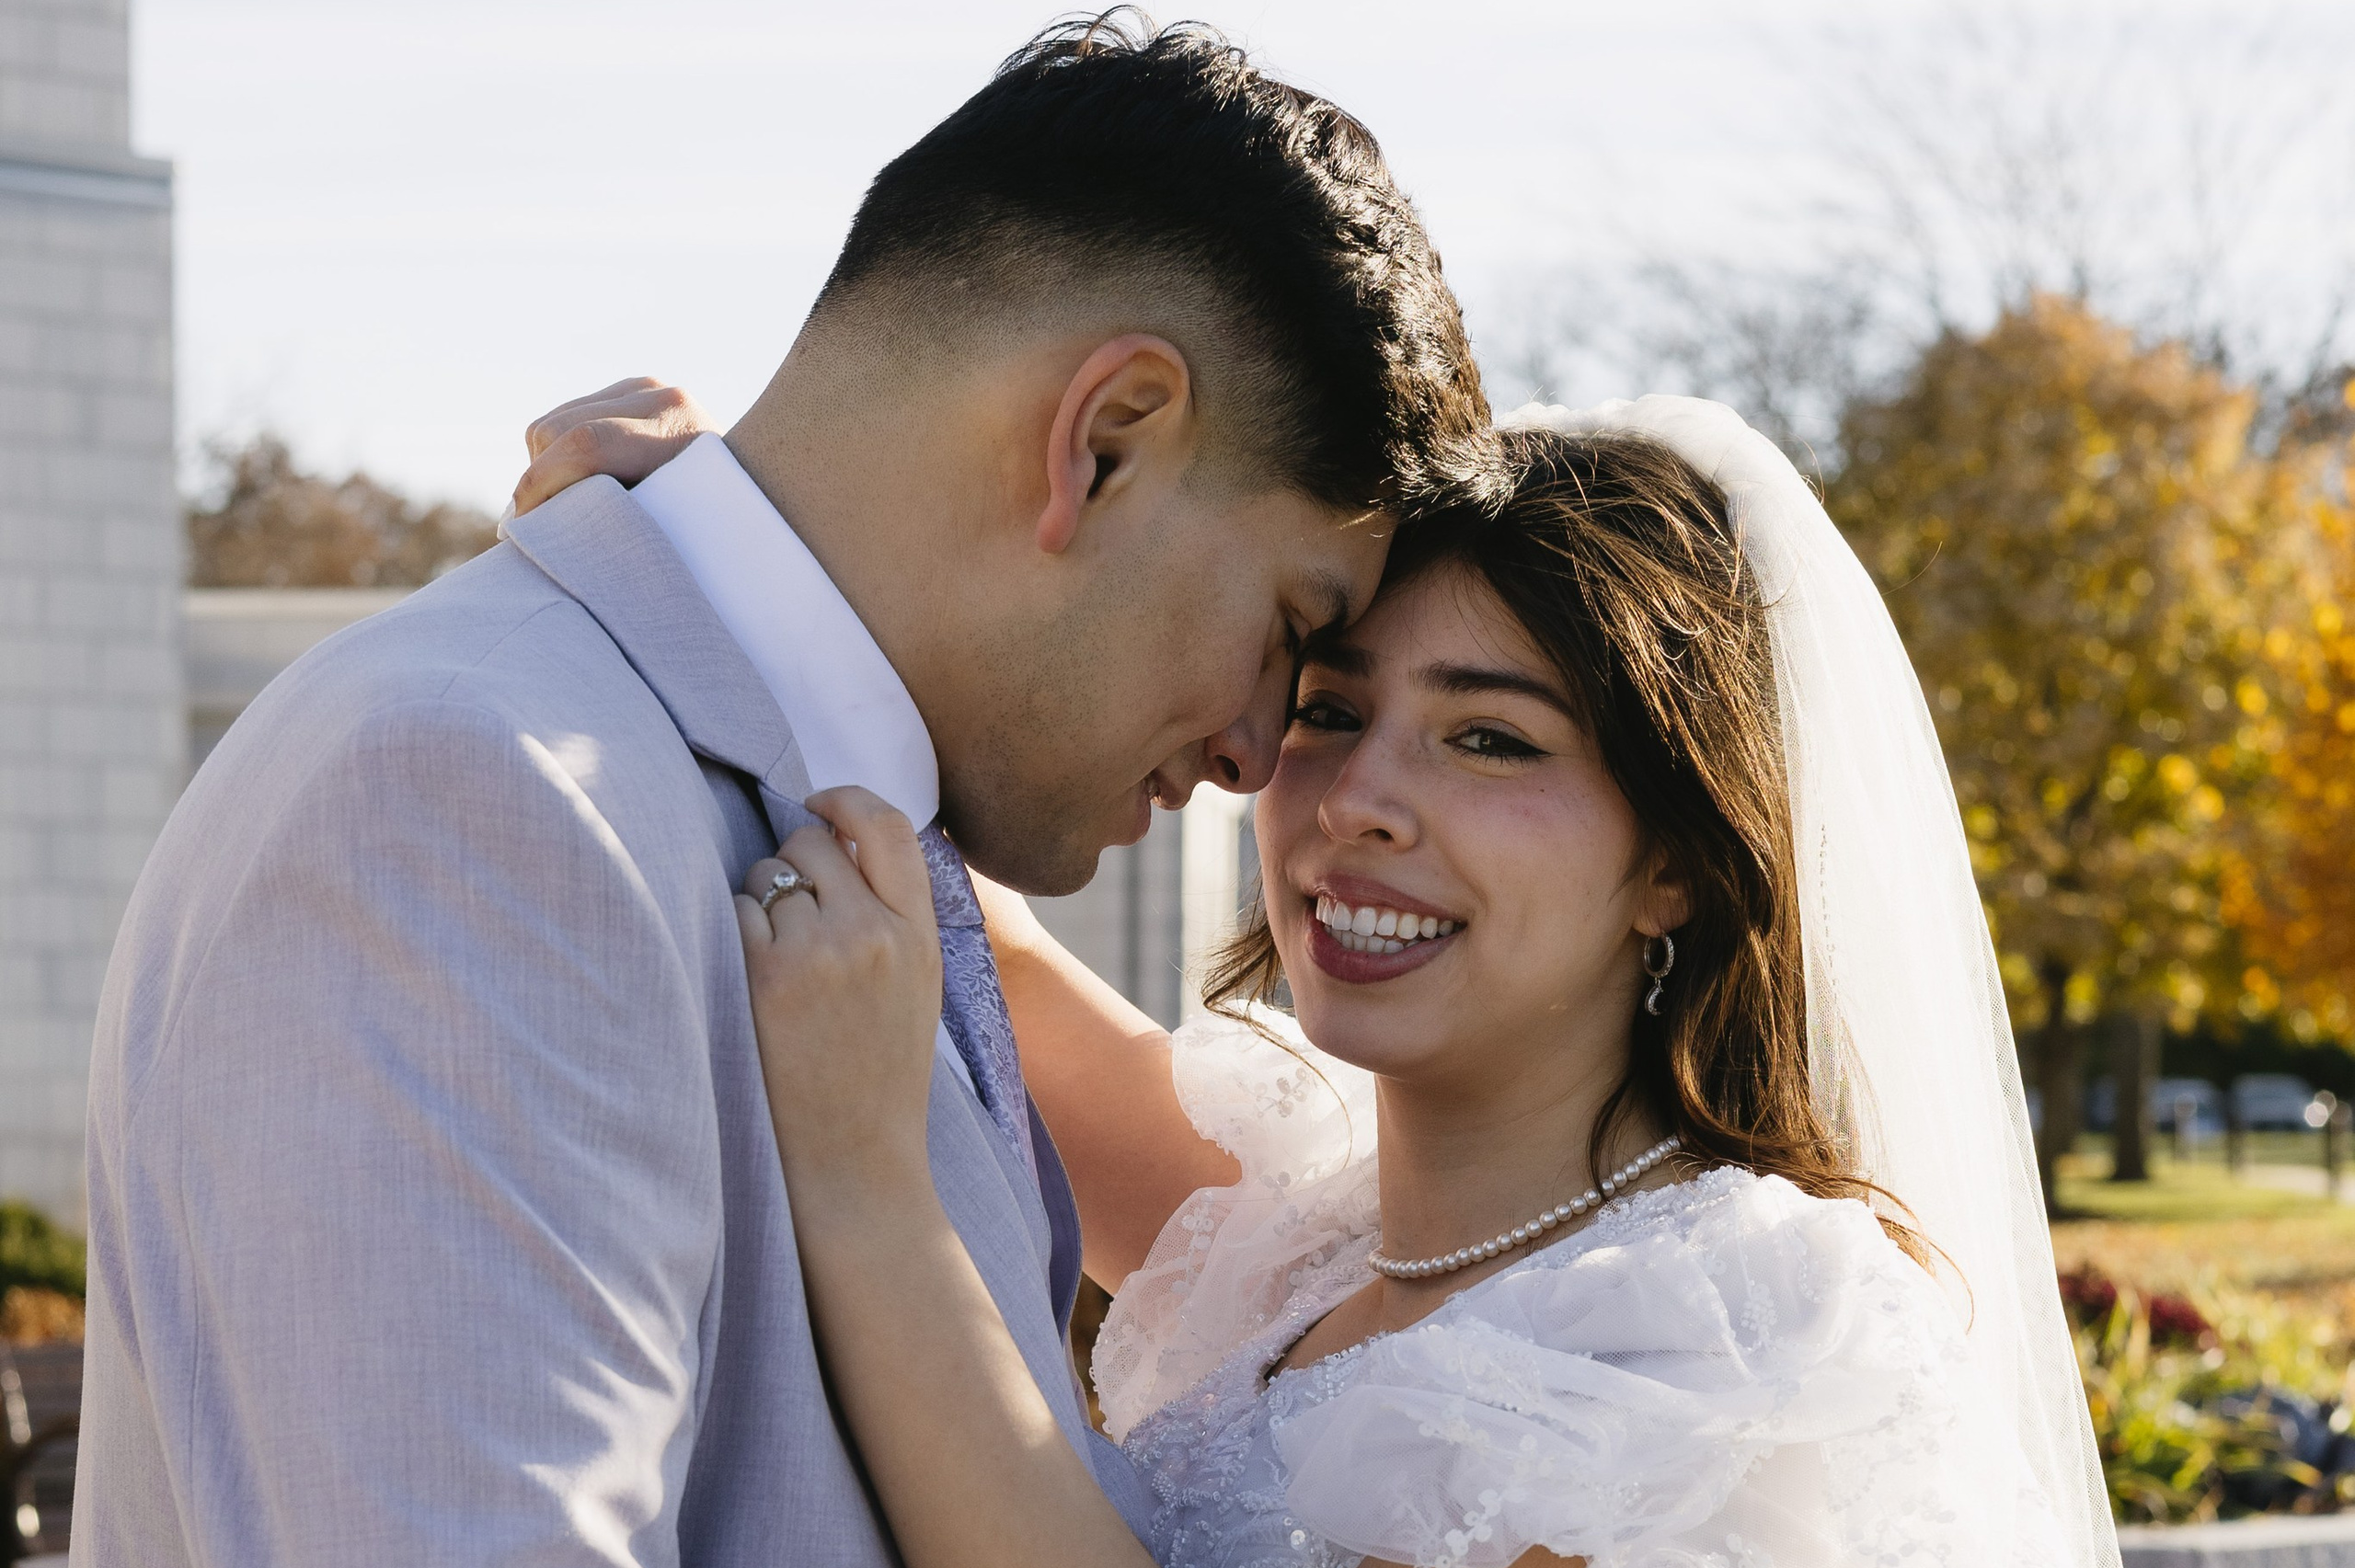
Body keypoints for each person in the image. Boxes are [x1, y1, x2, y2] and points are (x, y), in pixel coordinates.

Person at [72, 17, 1495, 1565]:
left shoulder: (846, 852)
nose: (1261, 752)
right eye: (1292, 630)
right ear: (1105, 441)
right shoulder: (474, 803)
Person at [708, 398, 2120, 1566]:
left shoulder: (1714, 1342)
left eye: (1492, 739)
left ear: (1674, 863)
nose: (1359, 800)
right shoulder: (1294, 1243)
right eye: (1329, 711)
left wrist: (864, 1179)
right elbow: (968, 926)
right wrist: (713, 517)